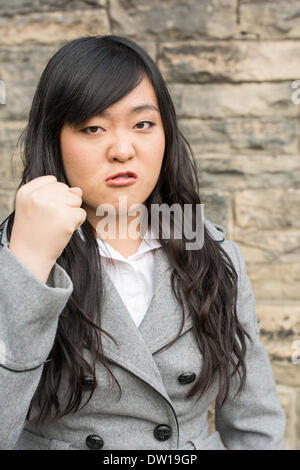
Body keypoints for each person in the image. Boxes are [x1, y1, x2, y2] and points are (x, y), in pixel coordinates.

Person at [0, 35, 285, 450]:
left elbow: (254, 423)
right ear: (54, 138)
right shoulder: (15, 257)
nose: (122, 149)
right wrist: (28, 267)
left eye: (142, 124)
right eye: (93, 128)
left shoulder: (212, 255)